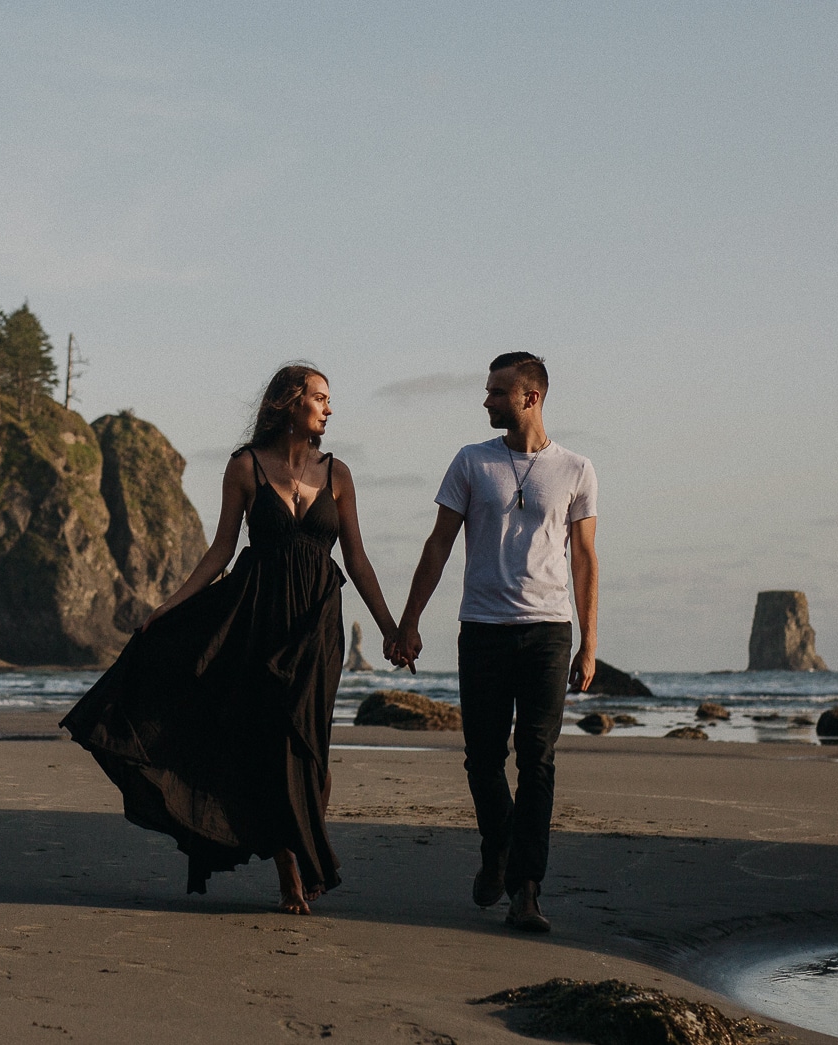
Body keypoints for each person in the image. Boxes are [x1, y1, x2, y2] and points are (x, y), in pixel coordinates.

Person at [62, 363, 403, 914]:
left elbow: (357, 558)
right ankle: (291, 868)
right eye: (320, 397)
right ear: (291, 402)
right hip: (257, 616)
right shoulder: (244, 468)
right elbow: (220, 551)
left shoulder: (337, 474)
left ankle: (304, 841)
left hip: (318, 621)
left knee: (311, 749)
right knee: (269, 740)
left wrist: (389, 629)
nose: (329, 408)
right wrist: (169, 607)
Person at [388, 352, 598, 933]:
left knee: (537, 758)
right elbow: (438, 545)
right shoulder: (470, 462)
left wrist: (589, 640)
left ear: (530, 397)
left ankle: (526, 889)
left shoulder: (577, 469)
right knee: (482, 759)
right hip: (481, 629)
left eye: (497, 392)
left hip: (548, 632)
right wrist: (409, 621)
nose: (485, 401)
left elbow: (583, 558)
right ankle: (498, 845)